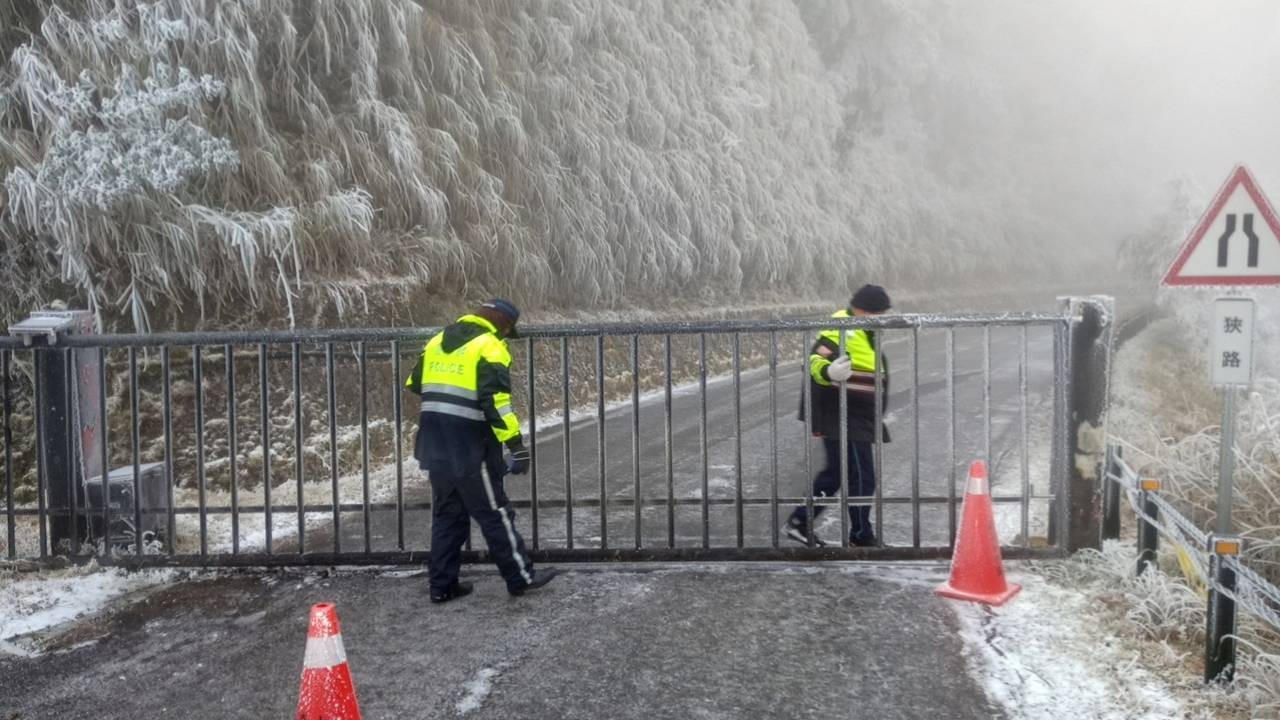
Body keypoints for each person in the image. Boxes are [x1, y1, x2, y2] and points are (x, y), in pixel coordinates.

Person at [406, 298, 556, 602]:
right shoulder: (489, 346)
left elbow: (415, 382)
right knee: (495, 513)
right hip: (471, 447)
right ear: (502, 322)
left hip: (435, 442)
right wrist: (516, 445)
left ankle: (442, 585)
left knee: (448, 515)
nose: (505, 337)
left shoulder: (437, 340)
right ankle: (520, 578)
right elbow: (497, 404)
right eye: (507, 331)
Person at [787, 284, 892, 548]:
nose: (883, 319)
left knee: (836, 473)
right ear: (864, 310)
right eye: (879, 313)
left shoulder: (865, 331)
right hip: (843, 414)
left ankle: (800, 522)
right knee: (861, 476)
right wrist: (828, 372)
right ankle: (860, 536)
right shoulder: (840, 328)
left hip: (854, 414)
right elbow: (814, 360)